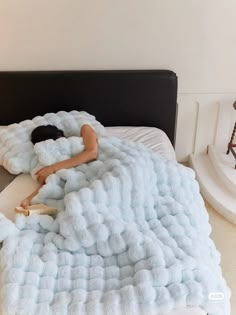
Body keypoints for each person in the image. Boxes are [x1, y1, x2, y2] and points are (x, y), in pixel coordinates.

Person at [20, 124, 98, 208]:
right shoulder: (50, 157)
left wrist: (53, 168)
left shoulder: (85, 129)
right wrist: (29, 199)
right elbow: (55, 179)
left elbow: (92, 153)